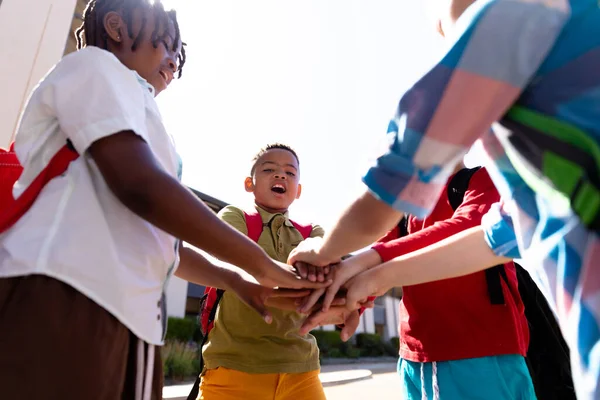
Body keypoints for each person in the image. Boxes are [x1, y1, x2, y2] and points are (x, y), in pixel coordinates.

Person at [0, 2, 325, 399]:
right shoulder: (95, 68)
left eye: (178, 50)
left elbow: (161, 239)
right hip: (65, 293)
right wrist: (258, 264)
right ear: (116, 26)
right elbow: (139, 186)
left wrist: (233, 279)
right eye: (166, 43)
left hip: (133, 318)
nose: (173, 57)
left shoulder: (149, 121)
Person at [289, 0, 600, 398]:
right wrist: (367, 276)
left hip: (482, 351)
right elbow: (494, 238)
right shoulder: (546, 162)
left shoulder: (510, 15)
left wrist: (324, 249)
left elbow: (388, 190)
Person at [301, 166, 534, 400]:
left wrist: (366, 269)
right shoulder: (405, 210)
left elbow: (469, 227)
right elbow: (380, 253)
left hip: (480, 350)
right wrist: (351, 303)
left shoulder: (482, 178)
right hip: (414, 358)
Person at [196, 143, 353, 400]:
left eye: (290, 173)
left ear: (298, 190)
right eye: (269, 169)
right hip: (233, 367)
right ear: (250, 183)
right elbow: (237, 261)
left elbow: (327, 268)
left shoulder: (312, 232)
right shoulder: (235, 217)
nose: (281, 175)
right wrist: (301, 279)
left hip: (301, 371)